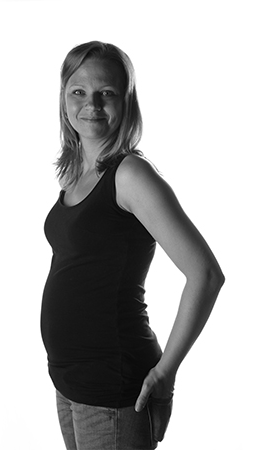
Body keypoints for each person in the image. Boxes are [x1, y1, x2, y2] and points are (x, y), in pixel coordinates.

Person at [41, 41, 225, 450]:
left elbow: (206, 274)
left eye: (106, 92)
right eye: (78, 91)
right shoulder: (76, 174)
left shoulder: (130, 175)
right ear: (63, 98)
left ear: (126, 100)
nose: (91, 104)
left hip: (111, 383)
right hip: (70, 380)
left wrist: (166, 371)